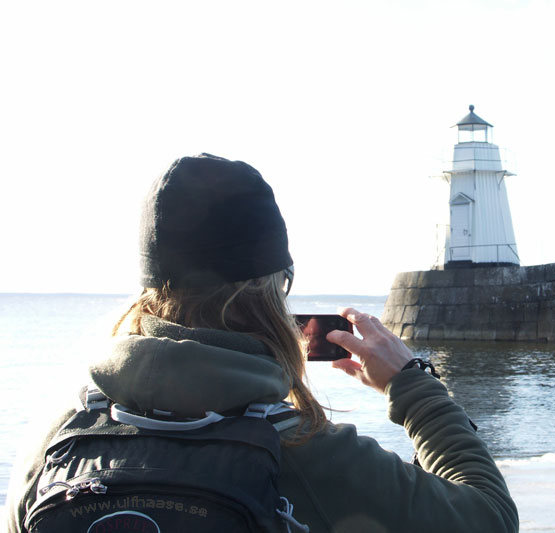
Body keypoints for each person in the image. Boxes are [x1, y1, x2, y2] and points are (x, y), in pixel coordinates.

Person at [6, 154, 518, 532]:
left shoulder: (57, 439)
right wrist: (415, 390)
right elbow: (489, 519)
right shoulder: (306, 450)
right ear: (272, 290)